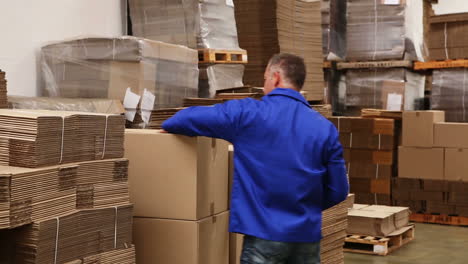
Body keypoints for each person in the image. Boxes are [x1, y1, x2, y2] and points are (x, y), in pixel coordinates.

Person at [162, 53, 349, 264]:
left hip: (263, 235)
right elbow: (338, 190)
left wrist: (169, 125)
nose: (264, 85)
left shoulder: (249, 114)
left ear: (276, 77)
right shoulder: (325, 129)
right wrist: (304, 210)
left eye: (265, 79)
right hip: (306, 239)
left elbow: (187, 118)